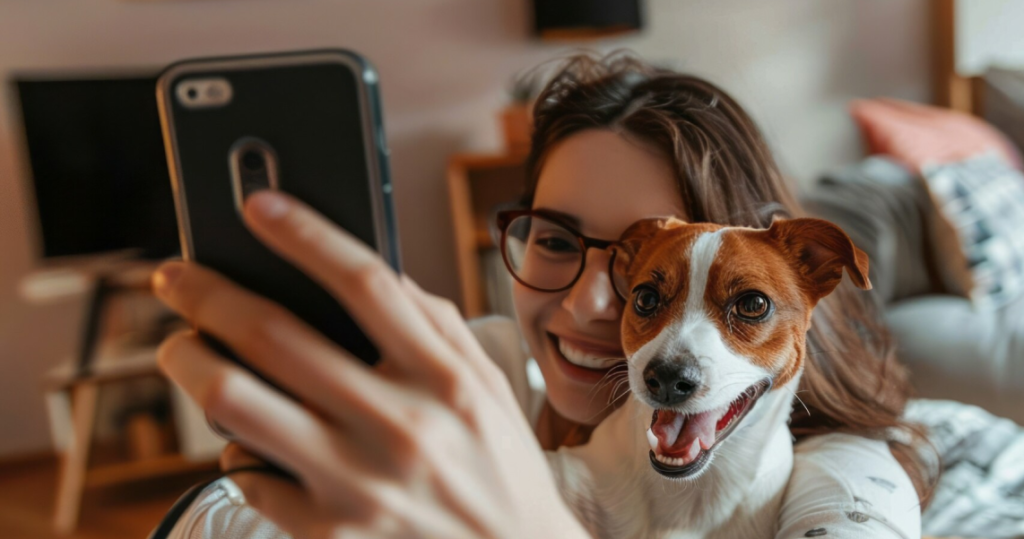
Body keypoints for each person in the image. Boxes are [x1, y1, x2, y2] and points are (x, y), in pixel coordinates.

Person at [153, 53, 934, 539]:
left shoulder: (838, 473)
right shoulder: (480, 362)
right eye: (556, 240)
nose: (600, 304)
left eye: (746, 305)